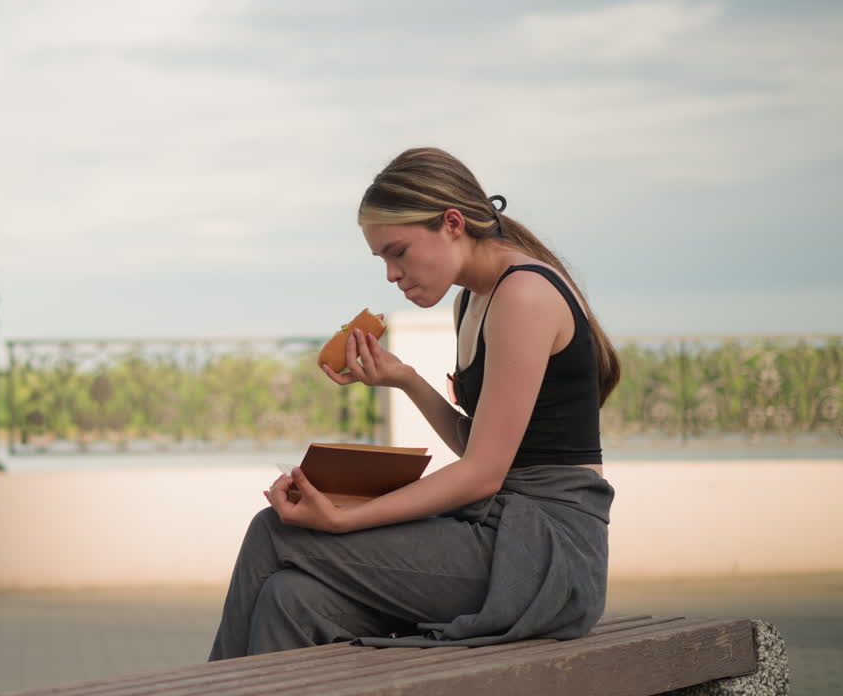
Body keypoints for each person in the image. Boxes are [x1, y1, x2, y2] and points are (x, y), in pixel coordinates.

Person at [208, 146, 620, 660]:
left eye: (397, 251)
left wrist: (343, 519)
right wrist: (405, 379)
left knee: (274, 533)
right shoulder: (473, 299)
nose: (390, 274)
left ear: (451, 223)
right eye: (382, 258)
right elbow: (487, 447)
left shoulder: (524, 296)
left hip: (547, 554)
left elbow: (481, 475)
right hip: (498, 533)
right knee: (290, 599)